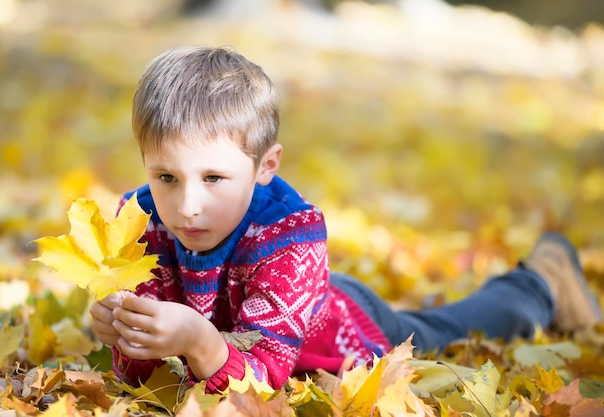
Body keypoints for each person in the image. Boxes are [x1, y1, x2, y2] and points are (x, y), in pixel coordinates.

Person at [89, 45, 602, 392]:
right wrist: (126, 336)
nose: (187, 206)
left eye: (214, 179)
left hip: (341, 330)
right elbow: (148, 379)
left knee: (442, 331)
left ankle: (538, 284)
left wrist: (200, 341)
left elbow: (263, 384)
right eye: (166, 177)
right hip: (274, 315)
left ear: (266, 166)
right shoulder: (137, 221)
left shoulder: (291, 236)